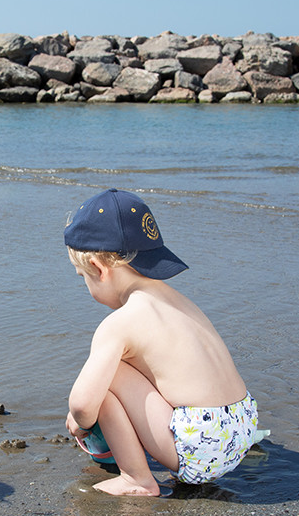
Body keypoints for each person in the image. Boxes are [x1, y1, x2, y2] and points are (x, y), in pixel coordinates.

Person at [63, 188, 258, 496]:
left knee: (107, 377)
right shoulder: (179, 303)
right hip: (242, 427)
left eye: (81, 276)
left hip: (201, 448)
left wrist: (79, 421)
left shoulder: (119, 324)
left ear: (99, 270)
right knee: (128, 365)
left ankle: (136, 478)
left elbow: (84, 405)